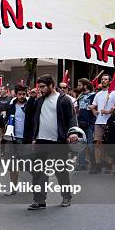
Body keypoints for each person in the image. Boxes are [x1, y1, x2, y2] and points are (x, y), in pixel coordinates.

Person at [29, 75, 79, 210]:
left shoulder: (64, 100)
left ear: (51, 85)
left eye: (43, 87)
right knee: (38, 171)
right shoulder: (39, 100)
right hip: (41, 141)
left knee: (60, 170)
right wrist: (34, 137)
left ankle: (66, 196)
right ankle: (39, 200)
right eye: (39, 87)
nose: (40, 90)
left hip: (58, 141)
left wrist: (73, 132)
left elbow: (72, 118)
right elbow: (33, 119)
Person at [3, 85, 32, 195]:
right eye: (19, 94)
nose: (21, 96)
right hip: (12, 138)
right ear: (16, 94)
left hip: (25, 139)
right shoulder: (11, 105)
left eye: (24, 94)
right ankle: (13, 188)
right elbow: (6, 120)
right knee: (12, 165)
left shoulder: (30, 105)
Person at [91, 74, 115, 173]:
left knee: (108, 143)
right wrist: (93, 111)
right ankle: (98, 164)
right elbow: (94, 105)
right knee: (97, 143)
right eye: (102, 79)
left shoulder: (113, 93)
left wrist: (109, 111)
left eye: (106, 79)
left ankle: (109, 164)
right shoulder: (98, 94)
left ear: (109, 81)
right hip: (99, 121)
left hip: (110, 122)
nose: (103, 81)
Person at [75, 78, 96, 171]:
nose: (78, 87)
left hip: (90, 122)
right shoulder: (80, 96)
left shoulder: (93, 95)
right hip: (81, 122)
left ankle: (94, 164)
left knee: (90, 144)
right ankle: (82, 163)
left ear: (85, 85)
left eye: (80, 85)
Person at [0, 86, 12, 157]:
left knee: (7, 140)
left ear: (6, 90)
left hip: (8, 122)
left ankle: (6, 155)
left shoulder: (10, 98)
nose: (0, 90)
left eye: (2, 89)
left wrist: (6, 112)